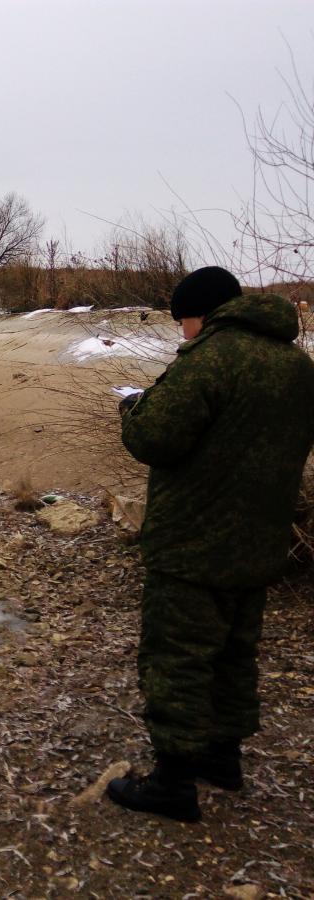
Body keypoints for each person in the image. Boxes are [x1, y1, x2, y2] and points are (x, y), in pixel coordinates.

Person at [106, 266, 314, 822]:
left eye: (184, 322)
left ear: (203, 314)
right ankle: (224, 759)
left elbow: (155, 438)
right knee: (234, 652)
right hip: (260, 541)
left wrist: (133, 407)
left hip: (193, 542)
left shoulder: (212, 359)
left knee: (178, 657)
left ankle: (173, 782)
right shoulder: (297, 365)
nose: (182, 334)